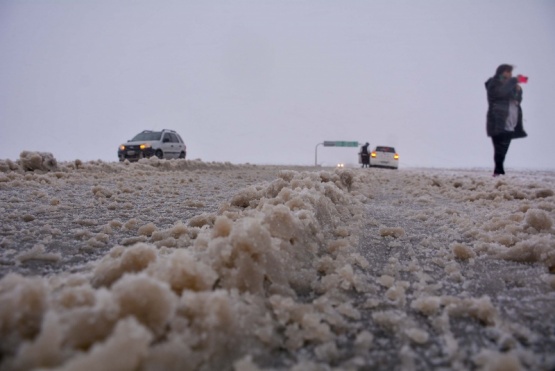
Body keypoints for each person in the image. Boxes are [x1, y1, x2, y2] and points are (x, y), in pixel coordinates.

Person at [485, 64, 527, 176]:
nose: (509, 74)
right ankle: (499, 172)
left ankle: (499, 172)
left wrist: (518, 90)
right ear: (500, 72)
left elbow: (518, 100)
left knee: (503, 150)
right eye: (507, 71)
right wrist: (513, 81)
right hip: (497, 122)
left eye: (510, 72)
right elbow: (499, 93)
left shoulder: (511, 85)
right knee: (499, 148)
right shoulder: (493, 83)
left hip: (511, 122)